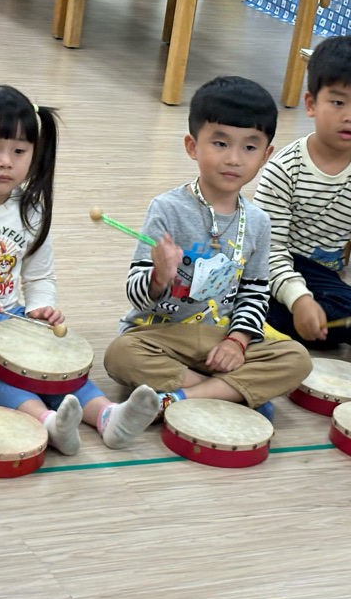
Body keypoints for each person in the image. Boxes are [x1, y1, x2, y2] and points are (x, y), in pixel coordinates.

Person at [0, 85, 159, 455]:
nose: (6, 162)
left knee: (51, 360)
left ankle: (106, 415)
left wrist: (41, 307)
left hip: (8, 314)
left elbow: (38, 276)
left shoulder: (29, 208)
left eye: (19, 151)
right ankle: (46, 421)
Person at [103, 76, 311, 418]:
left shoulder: (258, 221)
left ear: (266, 156)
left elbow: (255, 293)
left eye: (249, 148)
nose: (234, 158)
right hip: (162, 335)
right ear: (192, 146)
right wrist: (158, 277)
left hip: (221, 336)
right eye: (220, 143)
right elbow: (136, 296)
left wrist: (237, 341)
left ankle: (181, 397)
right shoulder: (167, 208)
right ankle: (226, 392)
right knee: (120, 355)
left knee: (297, 359)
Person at [254, 36, 351, 351]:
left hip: (322, 278)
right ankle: (260, 313)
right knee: (244, 283)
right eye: (338, 102)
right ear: (311, 104)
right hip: (272, 266)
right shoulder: (285, 168)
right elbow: (266, 250)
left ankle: (266, 320)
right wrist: (299, 299)